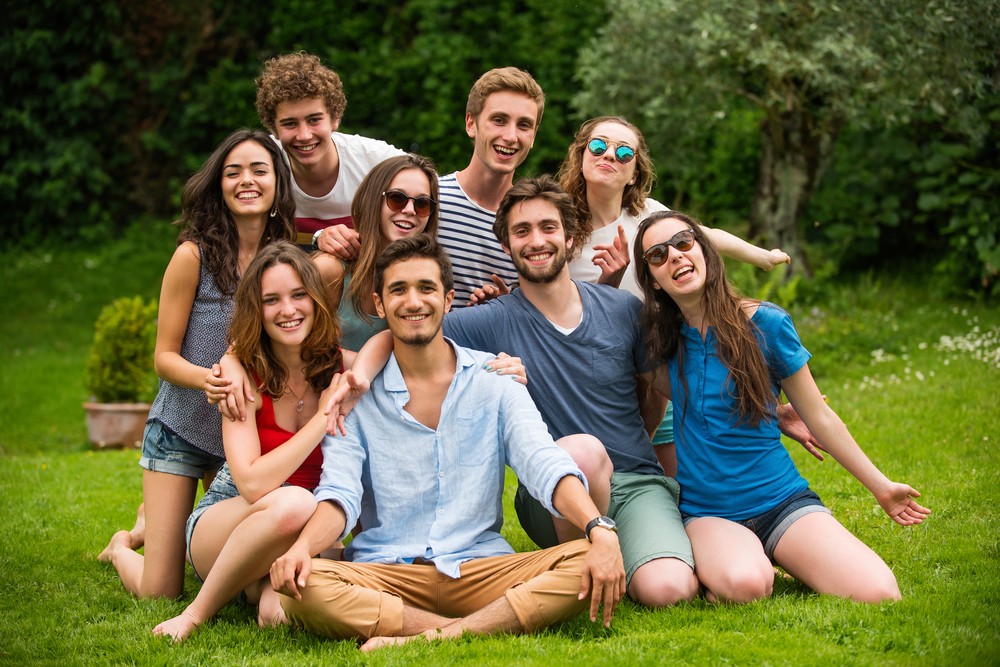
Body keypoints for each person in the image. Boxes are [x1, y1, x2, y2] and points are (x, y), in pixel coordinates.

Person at [269, 235, 626, 651]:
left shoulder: (496, 380)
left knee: (584, 557)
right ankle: (477, 627)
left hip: (480, 568)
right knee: (302, 586)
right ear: (380, 305)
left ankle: (430, 634)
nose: (413, 301)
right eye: (398, 290)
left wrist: (598, 528)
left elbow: (543, 464)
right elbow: (340, 494)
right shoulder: (355, 397)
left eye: (426, 288)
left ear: (449, 298)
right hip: (388, 571)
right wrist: (300, 549)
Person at [632, 210, 930, 603]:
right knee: (747, 586)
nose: (674, 256)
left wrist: (881, 487)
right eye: (657, 254)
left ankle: (766, 551)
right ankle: (736, 560)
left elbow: (819, 416)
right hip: (709, 512)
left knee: (880, 592)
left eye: (684, 242)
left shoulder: (767, 324)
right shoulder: (660, 341)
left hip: (780, 500)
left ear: (705, 250)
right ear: (652, 278)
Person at [98, 129, 296, 599]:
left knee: (230, 575)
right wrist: (207, 379)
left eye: (258, 170)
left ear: (276, 186)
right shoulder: (193, 256)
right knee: (160, 591)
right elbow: (163, 357)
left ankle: (162, 526)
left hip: (243, 443)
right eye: (233, 172)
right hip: (181, 430)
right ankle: (124, 545)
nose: (246, 180)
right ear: (219, 186)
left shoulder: (283, 260)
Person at [152, 242, 352, 641]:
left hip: (294, 534)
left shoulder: (338, 365)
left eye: (299, 295)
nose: (289, 310)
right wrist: (322, 416)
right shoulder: (241, 377)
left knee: (278, 613)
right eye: (271, 300)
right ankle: (184, 605)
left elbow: (394, 355)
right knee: (294, 501)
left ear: (316, 300)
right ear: (256, 310)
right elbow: (254, 484)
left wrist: (496, 366)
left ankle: (254, 587)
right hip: (228, 521)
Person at [321, 67, 545, 306]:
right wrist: (323, 237)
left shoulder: (535, 226)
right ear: (471, 123)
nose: (510, 136)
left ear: (533, 136)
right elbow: (363, 247)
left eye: (523, 125)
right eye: (498, 120)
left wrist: (504, 308)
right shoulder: (421, 201)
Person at [254, 51, 405, 247]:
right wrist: (320, 238)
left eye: (314, 120)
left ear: (335, 118)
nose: (304, 135)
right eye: (290, 124)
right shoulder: (257, 162)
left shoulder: (376, 160)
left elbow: (432, 195)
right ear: (273, 128)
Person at [313, 154, 440, 352]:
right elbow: (298, 351)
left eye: (422, 204)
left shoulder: (425, 282)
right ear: (373, 199)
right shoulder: (331, 270)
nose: (409, 210)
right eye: (397, 198)